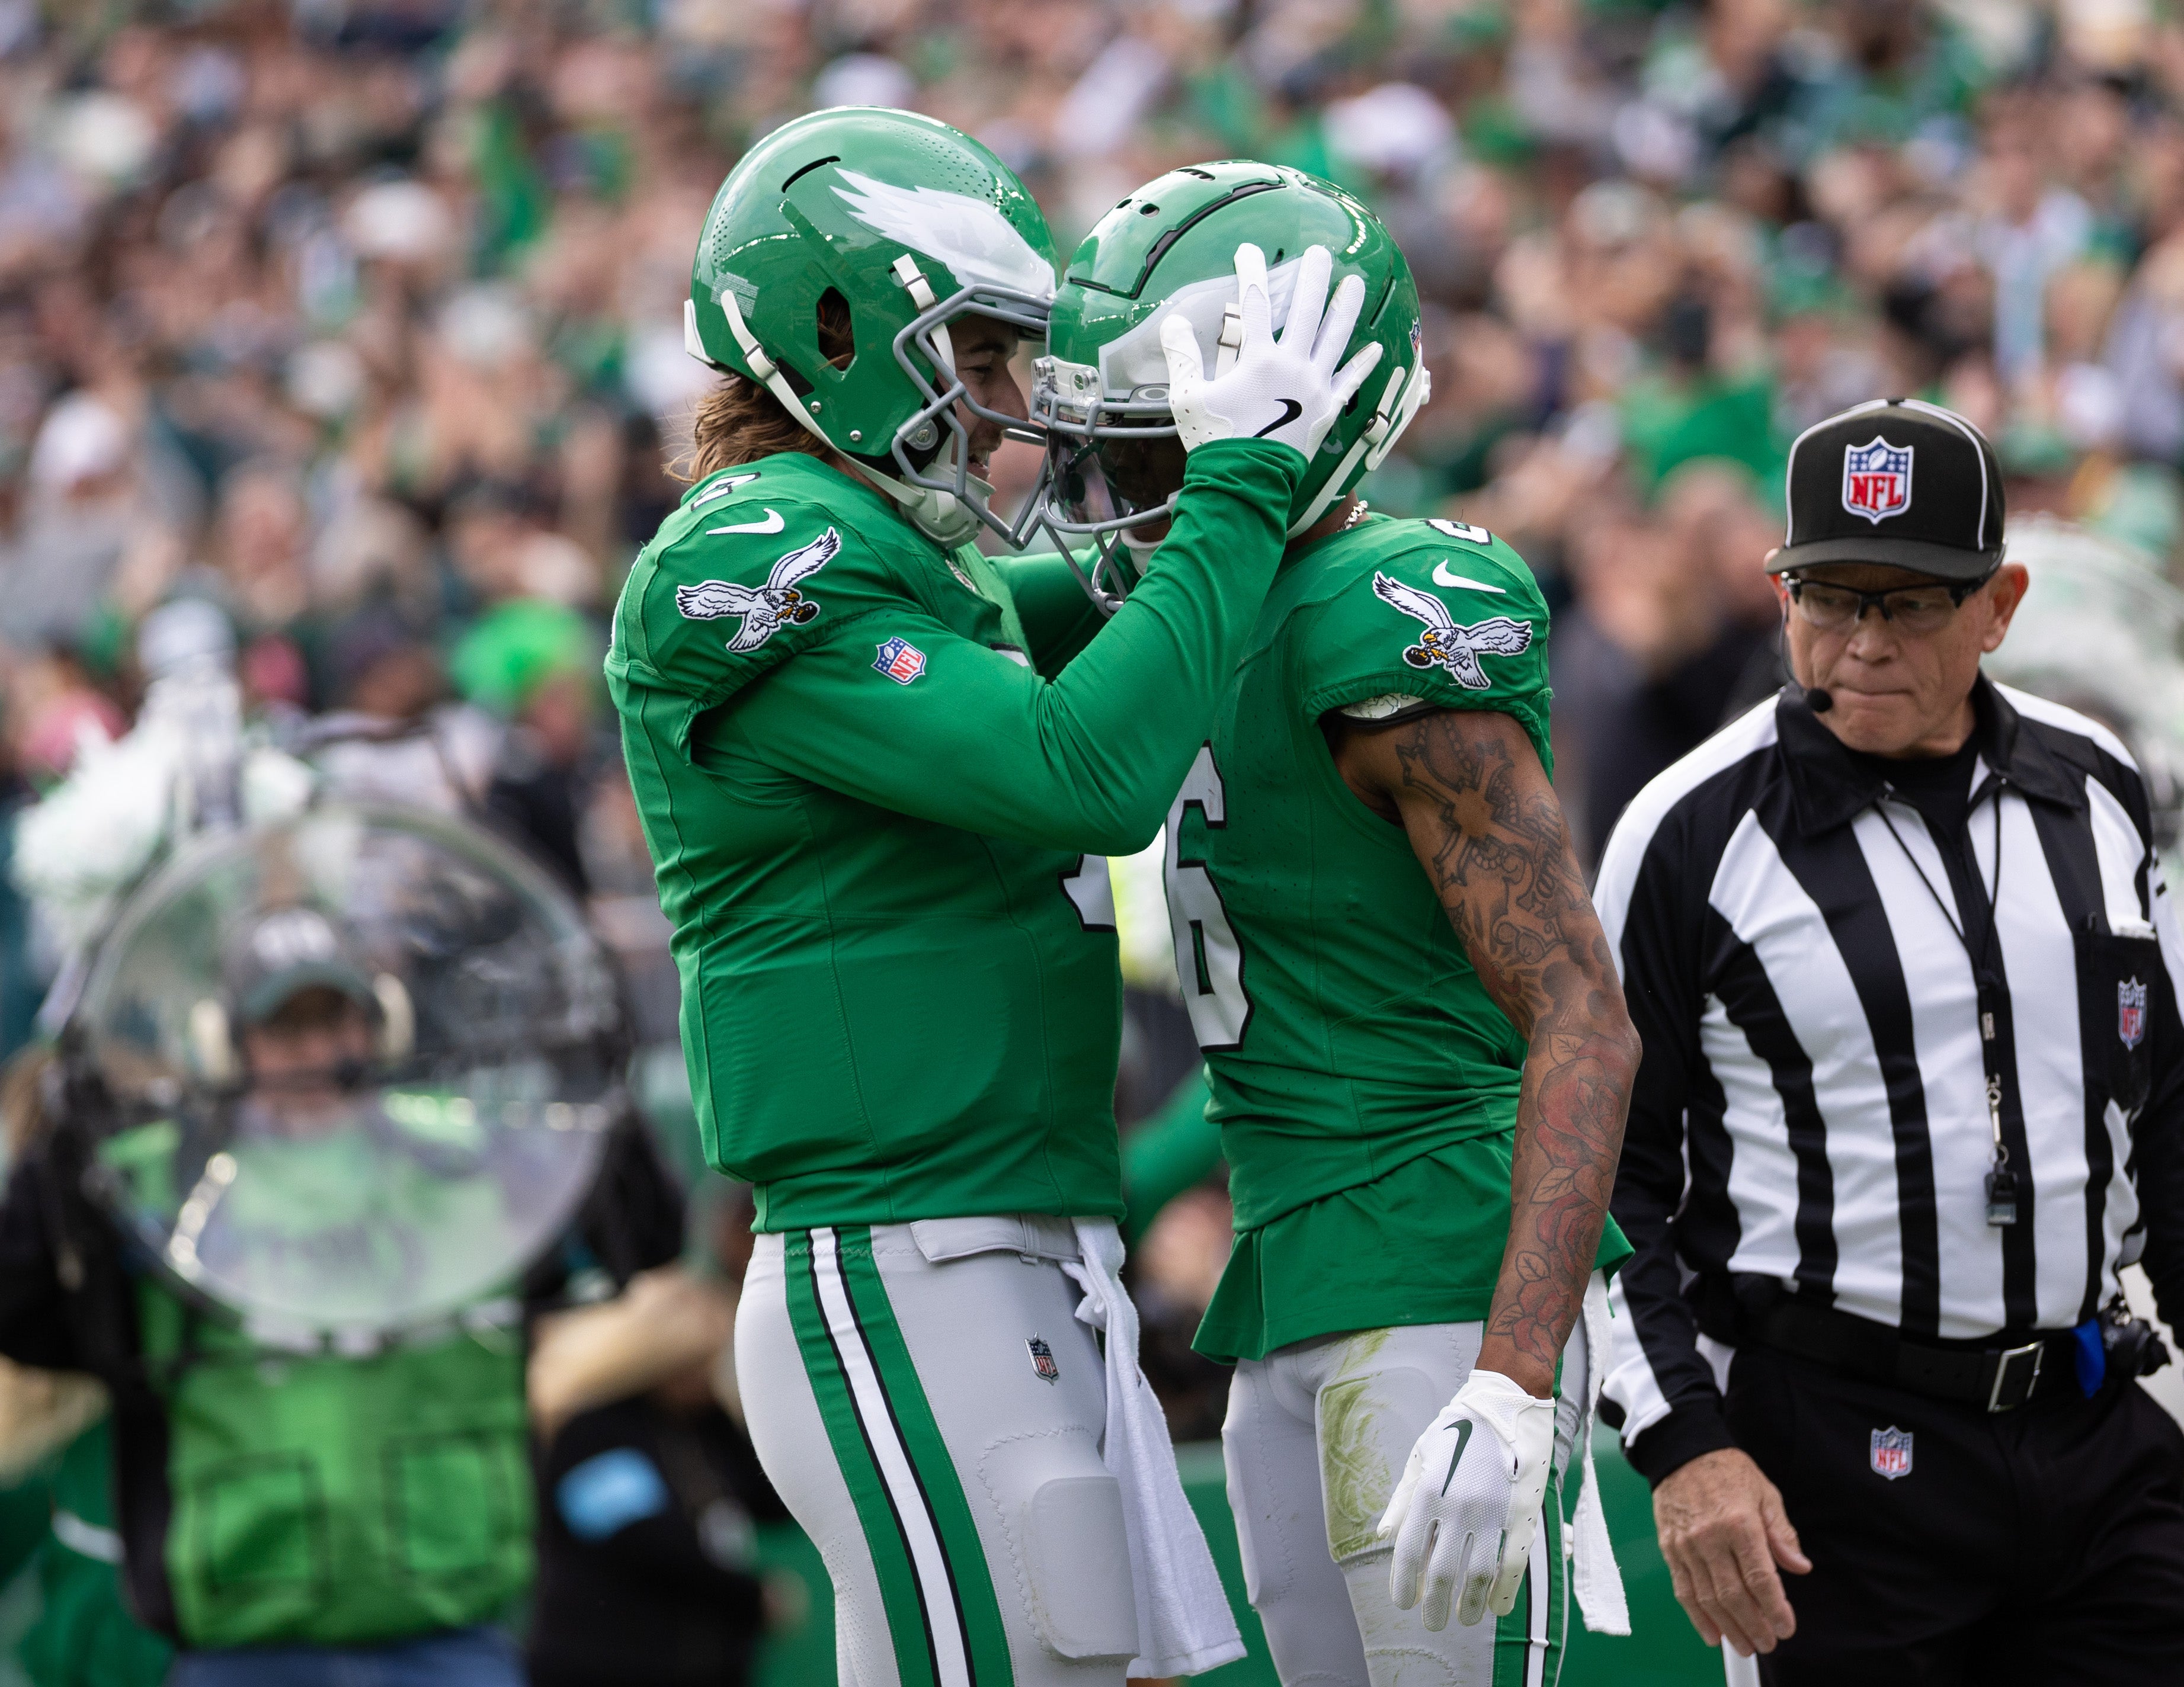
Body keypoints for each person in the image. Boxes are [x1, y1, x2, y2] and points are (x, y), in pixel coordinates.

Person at [609, 108, 1380, 1686]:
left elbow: (1099, 607)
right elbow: (1081, 770)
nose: (1012, 402)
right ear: (839, 333)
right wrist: (1238, 486)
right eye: (975, 353)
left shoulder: (895, 553)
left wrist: (1210, 481)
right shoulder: (759, 552)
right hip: (904, 1246)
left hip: (1003, 1241)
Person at [1036, 159, 1640, 1686]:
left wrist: (1513, 1376)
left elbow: (1583, 1012)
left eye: (1157, 441)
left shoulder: (1387, 606)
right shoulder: (1194, 610)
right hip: (1287, 1267)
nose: (1119, 489)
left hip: (1436, 1272)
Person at [1594, 397, 2184, 1683]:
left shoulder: (2093, 783)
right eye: (1829, 596)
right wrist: (1684, 1442)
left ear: (1998, 603)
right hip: (1835, 1457)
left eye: (1909, 602)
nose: (1862, 640)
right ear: (1780, 594)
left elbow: (2158, 1110)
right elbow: (1599, 1175)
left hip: (2092, 1428)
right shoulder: (1689, 829)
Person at [0, 836, 683, 1685]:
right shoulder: (163, 1185)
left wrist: (604, 1087)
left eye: (335, 1021)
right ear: (229, 1042)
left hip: (451, 1630)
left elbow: (643, 1243)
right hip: (240, 1645)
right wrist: (59, 1150)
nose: (316, 1051)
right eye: (285, 1028)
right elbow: (25, 1314)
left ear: (379, 1024)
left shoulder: (471, 1163)